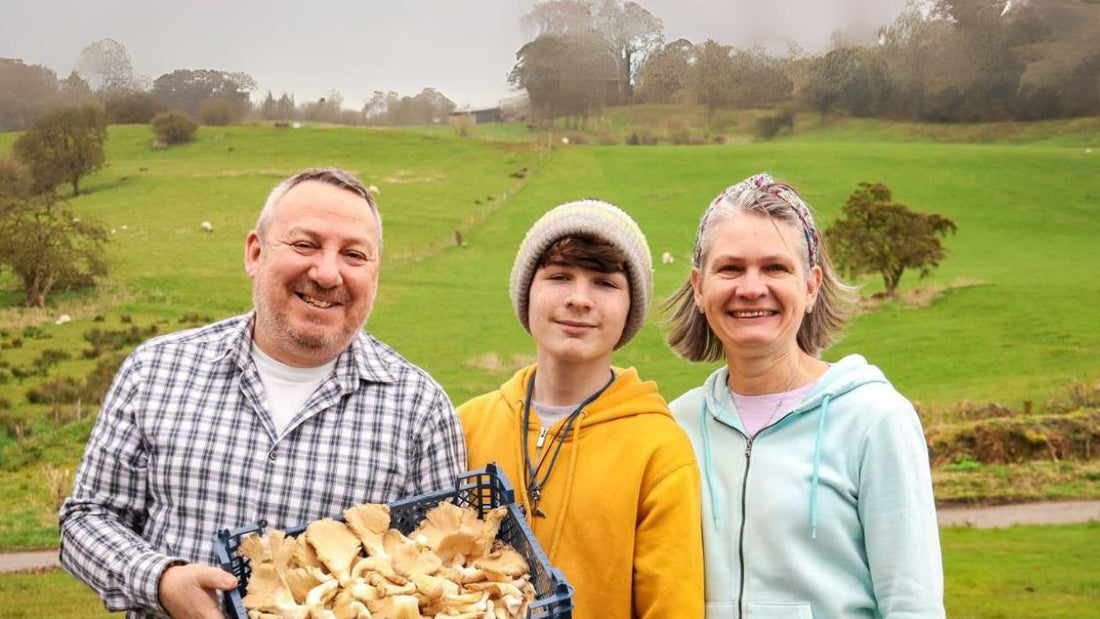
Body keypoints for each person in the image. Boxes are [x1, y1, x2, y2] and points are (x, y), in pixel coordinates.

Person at [59, 167, 466, 618]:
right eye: (304, 245)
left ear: (375, 274)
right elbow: (87, 518)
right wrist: (161, 579)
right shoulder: (155, 370)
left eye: (354, 255)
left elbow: (443, 573)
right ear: (255, 253)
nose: (328, 273)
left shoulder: (420, 410)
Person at [666, 172, 944, 618]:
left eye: (775, 267)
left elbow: (913, 606)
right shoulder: (675, 425)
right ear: (700, 288)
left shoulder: (875, 419)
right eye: (730, 268)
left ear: (811, 286)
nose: (751, 288)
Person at [458, 200, 704, 619]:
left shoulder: (658, 450)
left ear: (630, 309)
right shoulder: (466, 425)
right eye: (559, 276)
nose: (579, 299)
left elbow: (671, 608)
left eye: (605, 283)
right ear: (526, 292)